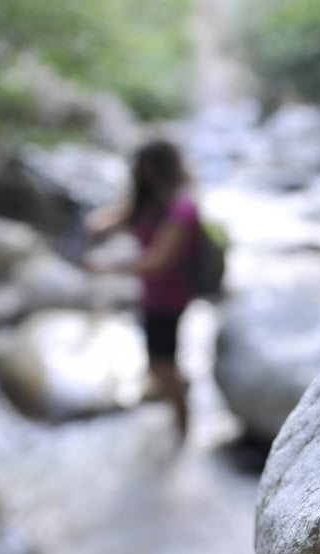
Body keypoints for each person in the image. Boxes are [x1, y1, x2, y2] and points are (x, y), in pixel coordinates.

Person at [84, 138, 200, 442]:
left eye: (150, 166)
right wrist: (96, 223)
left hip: (171, 299)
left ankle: (184, 426)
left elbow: (158, 262)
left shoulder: (182, 207)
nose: (145, 172)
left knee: (162, 364)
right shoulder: (152, 199)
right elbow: (117, 217)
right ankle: (179, 399)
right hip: (152, 297)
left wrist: (105, 266)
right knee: (159, 362)